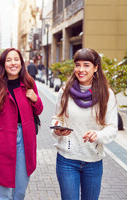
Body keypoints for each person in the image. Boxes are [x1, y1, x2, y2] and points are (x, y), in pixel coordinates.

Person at [51, 48, 118, 200]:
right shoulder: (64, 91)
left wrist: (98, 134)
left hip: (93, 161)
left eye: (86, 65)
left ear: (95, 68)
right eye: (77, 65)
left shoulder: (107, 95)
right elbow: (58, 117)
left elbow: (112, 127)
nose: (81, 69)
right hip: (67, 160)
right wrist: (58, 129)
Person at [0, 48, 44, 200]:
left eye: (16, 59)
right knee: (4, 194)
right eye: (8, 60)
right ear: (3, 64)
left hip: (25, 140)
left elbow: (39, 111)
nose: (13, 63)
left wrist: (36, 99)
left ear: (22, 63)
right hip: (2, 143)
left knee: (20, 192)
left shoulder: (29, 84)